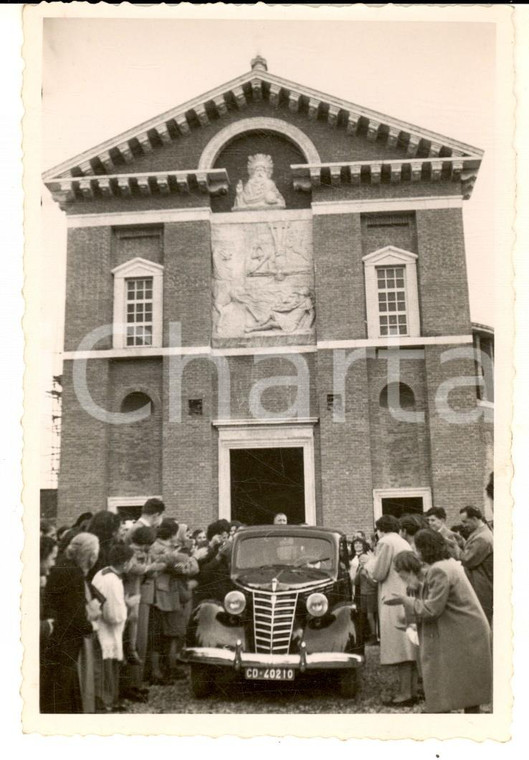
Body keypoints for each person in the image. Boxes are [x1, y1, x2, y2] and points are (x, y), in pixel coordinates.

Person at [389, 529, 492, 714]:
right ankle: (461, 715)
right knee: (466, 680)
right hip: (467, 629)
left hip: (464, 631)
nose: (414, 550)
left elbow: (431, 609)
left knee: (443, 672)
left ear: (424, 549)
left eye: (416, 546)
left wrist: (405, 600)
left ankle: (441, 714)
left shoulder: (439, 570)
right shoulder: (446, 565)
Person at [41, 532, 101, 713]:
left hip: (55, 640)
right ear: (91, 556)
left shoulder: (62, 567)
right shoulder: (74, 574)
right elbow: (74, 617)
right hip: (65, 645)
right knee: (62, 696)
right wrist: (92, 625)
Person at [367, 515, 418, 707]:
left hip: (393, 598)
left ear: (379, 529)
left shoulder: (385, 542)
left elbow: (378, 573)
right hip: (405, 596)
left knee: (401, 648)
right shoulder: (402, 541)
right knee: (409, 646)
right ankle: (412, 690)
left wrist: (368, 563)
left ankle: (405, 693)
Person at [149, 518, 198, 683]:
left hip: (162, 595)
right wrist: (192, 558)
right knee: (170, 635)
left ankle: (163, 670)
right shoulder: (164, 551)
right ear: (173, 533)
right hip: (166, 596)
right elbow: (184, 570)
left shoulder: (157, 547)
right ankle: (163, 671)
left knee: (162, 635)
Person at [92, 543, 136, 712]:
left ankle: (108, 699)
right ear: (125, 563)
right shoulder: (113, 581)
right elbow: (114, 615)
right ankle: (107, 702)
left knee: (105, 667)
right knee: (108, 669)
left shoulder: (102, 573)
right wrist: (129, 606)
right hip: (107, 631)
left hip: (102, 628)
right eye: (131, 561)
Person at [459, 506, 493, 625]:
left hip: (482, 586)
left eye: (465, 521)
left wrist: (454, 548)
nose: (463, 525)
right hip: (480, 584)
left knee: (482, 621)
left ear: (474, 519)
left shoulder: (482, 538)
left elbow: (468, 560)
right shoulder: (480, 534)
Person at [353, 551, 378, 644]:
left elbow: (375, 585)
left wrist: (367, 576)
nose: (362, 562)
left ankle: (374, 636)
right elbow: (355, 582)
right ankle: (364, 635)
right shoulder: (361, 570)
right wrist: (359, 572)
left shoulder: (372, 570)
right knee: (363, 615)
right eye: (360, 561)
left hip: (371, 594)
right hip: (363, 595)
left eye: (364, 561)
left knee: (370, 616)